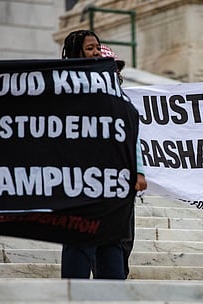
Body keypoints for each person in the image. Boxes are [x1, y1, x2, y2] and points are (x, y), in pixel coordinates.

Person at [60, 29, 147, 279]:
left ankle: (112, 301)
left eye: (98, 48)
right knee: (80, 240)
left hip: (114, 184)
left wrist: (137, 171)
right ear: (76, 55)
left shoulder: (118, 99)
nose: (96, 52)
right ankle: (73, 297)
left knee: (113, 244)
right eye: (90, 49)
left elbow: (130, 135)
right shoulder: (64, 92)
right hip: (80, 182)